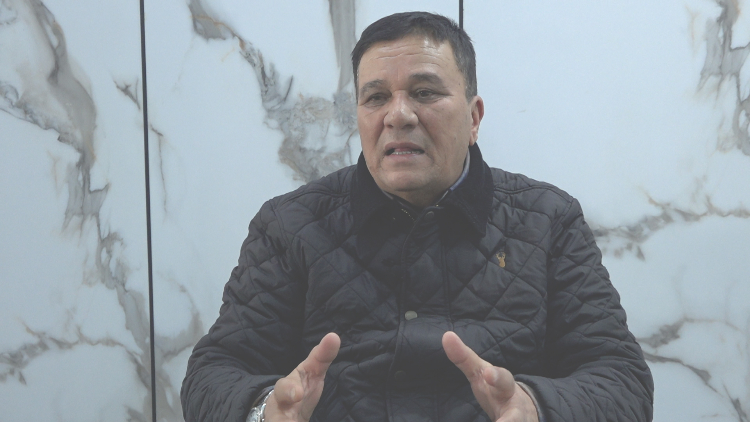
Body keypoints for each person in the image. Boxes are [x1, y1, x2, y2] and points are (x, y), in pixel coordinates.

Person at [181, 11, 654, 422]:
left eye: (425, 92)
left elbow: (622, 380)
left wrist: (535, 406)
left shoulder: (548, 221)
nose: (398, 115)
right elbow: (213, 373)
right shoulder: (289, 225)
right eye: (375, 98)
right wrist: (264, 409)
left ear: (474, 118)